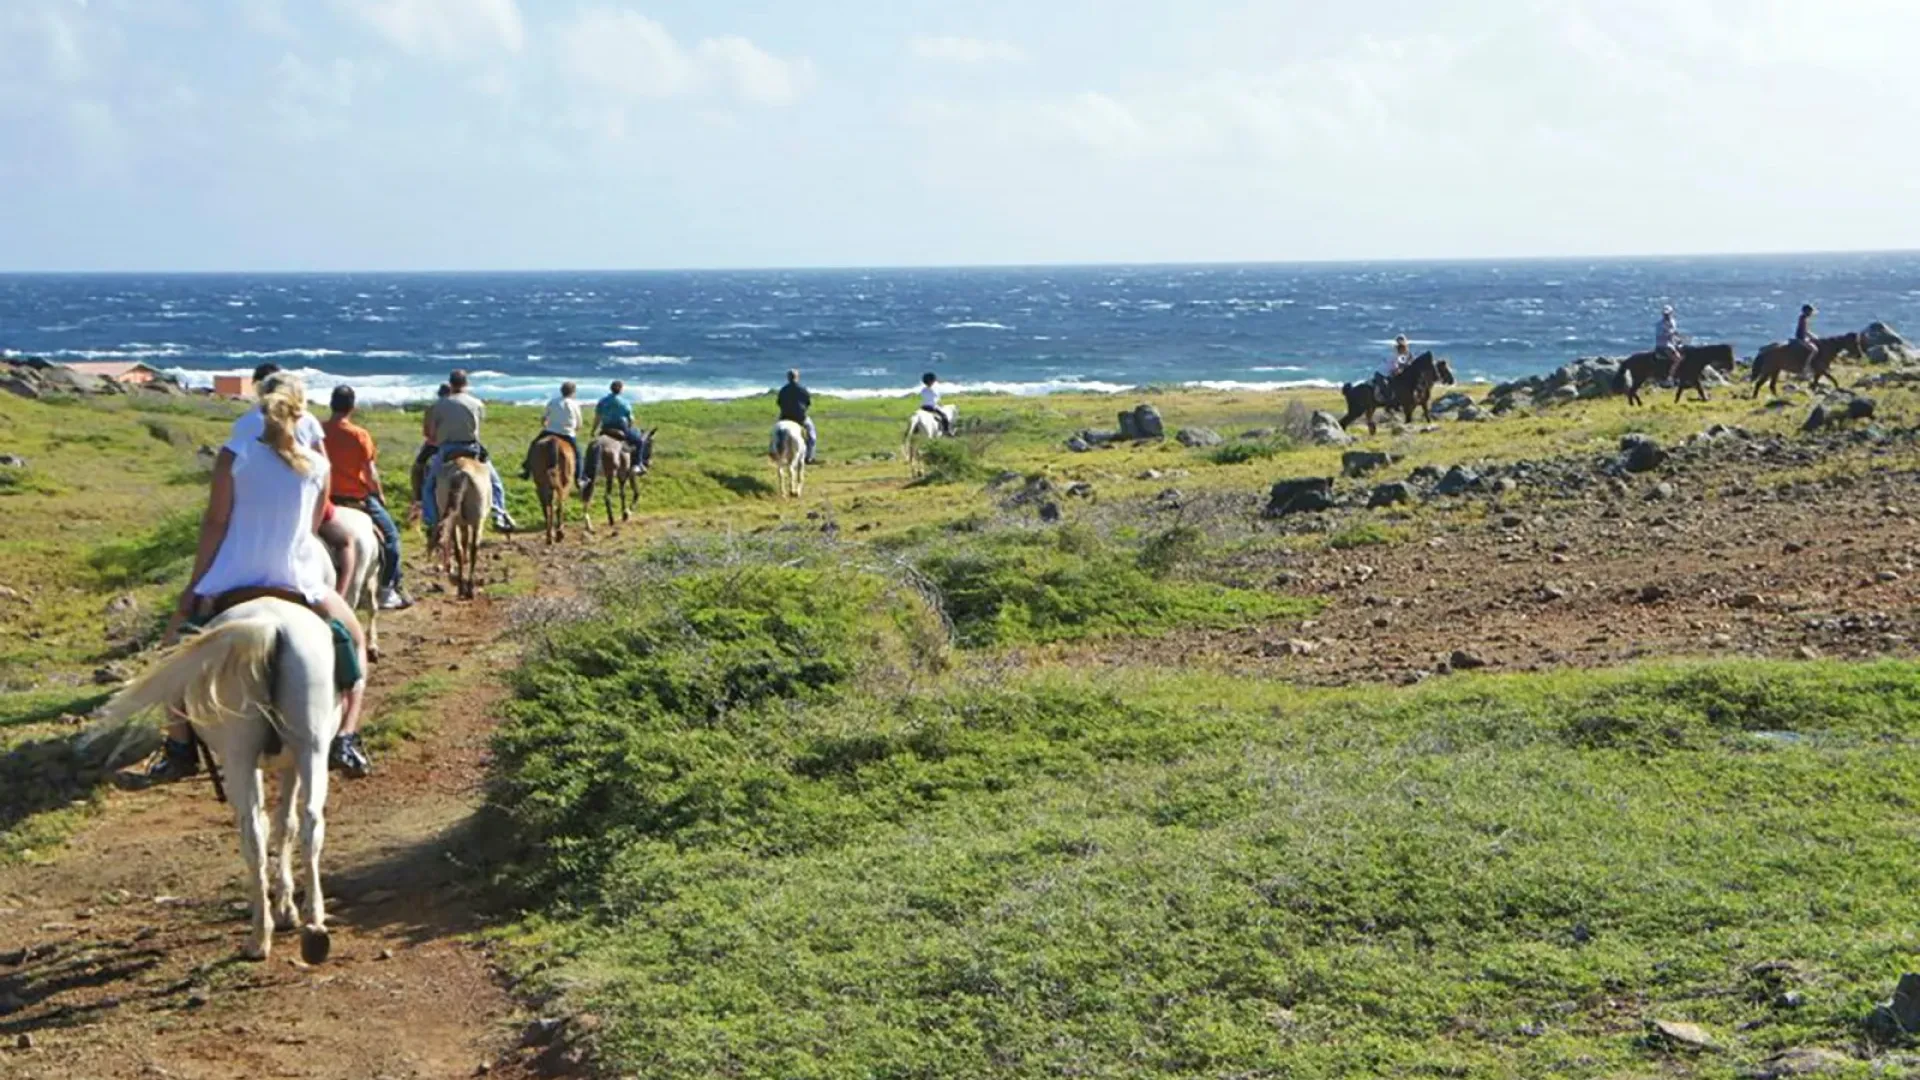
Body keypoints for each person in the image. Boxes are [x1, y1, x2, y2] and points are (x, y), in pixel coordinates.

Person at [147, 372, 374, 782]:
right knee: (356, 641)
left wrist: (194, 586)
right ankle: (347, 737)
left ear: (260, 404)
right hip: (297, 576)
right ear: (302, 409)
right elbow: (310, 525)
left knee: (170, 657)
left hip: (232, 574)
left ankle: (180, 747)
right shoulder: (318, 465)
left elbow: (216, 522)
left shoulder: (234, 455)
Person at [323, 385, 410, 611]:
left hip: (325, 498)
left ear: (331, 404)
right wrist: (379, 494)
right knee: (391, 539)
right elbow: (370, 472)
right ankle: (386, 590)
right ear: (352, 407)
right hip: (355, 497)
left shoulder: (318, 431)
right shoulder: (359, 435)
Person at [419, 370, 515, 533]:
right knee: (496, 483)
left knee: (428, 487)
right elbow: (478, 424)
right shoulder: (477, 403)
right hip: (472, 448)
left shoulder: (438, 405)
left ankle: (431, 520)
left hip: (447, 449)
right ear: (466, 384)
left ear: (450, 384)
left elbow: (430, 434)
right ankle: (498, 514)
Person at [586, 380, 647, 482]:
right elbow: (630, 419)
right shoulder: (624, 402)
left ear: (611, 388)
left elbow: (597, 418)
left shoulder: (603, 401)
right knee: (639, 441)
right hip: (621, 427)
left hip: (606, 428)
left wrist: (593, 430)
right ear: (621, 390)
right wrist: (630, 427)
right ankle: (638, 464)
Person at [523, 382, 584, 483]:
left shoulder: (553, 402)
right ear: (573, 392)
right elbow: (579, 423)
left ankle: (527, 469)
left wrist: (545, 425)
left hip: (550, 431)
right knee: (578, 455)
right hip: (567, 433)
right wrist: (575, 430)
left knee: (533, 445)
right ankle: (580, 478)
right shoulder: (575, 404)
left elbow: (544, 418)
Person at [777, 369, 818, 464]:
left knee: (777, 433)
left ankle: (778, 453)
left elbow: (779, 403)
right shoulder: (802, 389)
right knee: (811, 435)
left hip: (785, 417)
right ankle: (809, 457)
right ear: (797, 377)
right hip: (800, 417)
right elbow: (808, 403)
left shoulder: (783, 390)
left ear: (788, 378)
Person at [1374, 335, 1412, 401]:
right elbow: (1396, 369)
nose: (1405, 349)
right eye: (1404, 347)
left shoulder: (1399, 354)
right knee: (1388, 392)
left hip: (1388, 374)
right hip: (1382, 374)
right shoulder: (1394, 355)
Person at [919, 372, 953, 436]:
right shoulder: (935, 389)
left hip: (923, 407)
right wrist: (940, 404)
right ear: (932, 381)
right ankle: (947, 431)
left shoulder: (923, 389)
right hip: (931, 408)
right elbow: (937, 400)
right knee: (944, 416)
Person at [1655, 306, 1684, 382]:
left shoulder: (1672, 321)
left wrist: (1679, 340)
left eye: (1668, 314)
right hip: (1665, 345)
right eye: (1665, 314)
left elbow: (1675, 333)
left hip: (1670, 343)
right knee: (1678, 359)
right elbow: (1662, 335)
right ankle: (1670, 376)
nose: (1666, 316)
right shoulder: (1660, 324)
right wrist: (1671, 334)